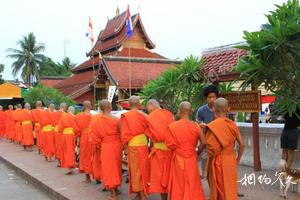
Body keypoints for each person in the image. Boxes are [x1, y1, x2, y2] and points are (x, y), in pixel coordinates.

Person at [166, 101, 206, 200]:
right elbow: (204, 143)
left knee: (179, 184)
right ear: (191, 111)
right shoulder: (196, 126)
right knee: (192, 182)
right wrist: (196, 153)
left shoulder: (172, 126)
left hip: (178, 159)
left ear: (179, 112)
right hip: (191, 158)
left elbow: (170, 145)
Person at [205, 97, 244, 200]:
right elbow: (242, 144)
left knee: (220, 190)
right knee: (230, 187)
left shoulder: (212, 126)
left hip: (218, 161)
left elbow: (210, 149)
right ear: (228, 109)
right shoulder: (232, 125)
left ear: (213, 109)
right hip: (230, 159)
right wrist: (237, 160)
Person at [89, 100, 122, 200]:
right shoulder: (117, 119)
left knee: (109, 169)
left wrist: (100, 144)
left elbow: (94, 137)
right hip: (117, 145)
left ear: (101, 108)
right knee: (116, 167)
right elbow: (121, 133)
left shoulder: (97, 120)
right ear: (110, 107)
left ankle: (113, 195)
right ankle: (116, 189)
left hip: (106, 146)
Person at [120, 96, 150, 200]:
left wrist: (124, 146)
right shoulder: (145, 115)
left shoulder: (125, 116)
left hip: (133, 145)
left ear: (128, 104)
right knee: (143, 168)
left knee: (136, 170)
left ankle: (142, 195)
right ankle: (140, 193)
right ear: (139, 104)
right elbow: (149, 130)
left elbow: (123, 133)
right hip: (143, 143)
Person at [145, 99, 174, 200]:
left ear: (152, 105)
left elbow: (151, 136)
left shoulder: (150, 117)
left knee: (161, 177)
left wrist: (149, 148)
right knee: (170, 176)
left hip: (158, 153)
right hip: (171, 150)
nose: (147, 110)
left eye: (147, 107)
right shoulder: (170, 114)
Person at [195, 85, 218, 177]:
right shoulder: (201, 110)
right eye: (209, 97)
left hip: (218, 141)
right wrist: (201, 126)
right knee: (206, 167)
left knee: (217, 166)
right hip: (206, 142)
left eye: (214, 97)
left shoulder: (221, 109)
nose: (212, 99)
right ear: (206, 98)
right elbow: (197, 125)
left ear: (217, 97)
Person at [75, 101, 92, 183]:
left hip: (84, 137)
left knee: (85, 156)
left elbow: (76, 129)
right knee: (94, 156)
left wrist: (79, 136)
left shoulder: (78, 116)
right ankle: (97, 177)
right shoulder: (94, 116)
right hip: (93, 137)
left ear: (83, 107)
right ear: (90, 107)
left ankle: (88, 177)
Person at [58, 106, 79, 175]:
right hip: (71, 135)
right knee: (71, 150)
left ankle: (68, 166)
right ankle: (70, 166)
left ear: (68, 110)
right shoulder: (74, 117)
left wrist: (62, 132)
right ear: (73, 111)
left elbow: (60, 127)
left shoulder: (63, 116)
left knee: (66, 150)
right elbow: (76, 128)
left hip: (64, 135)